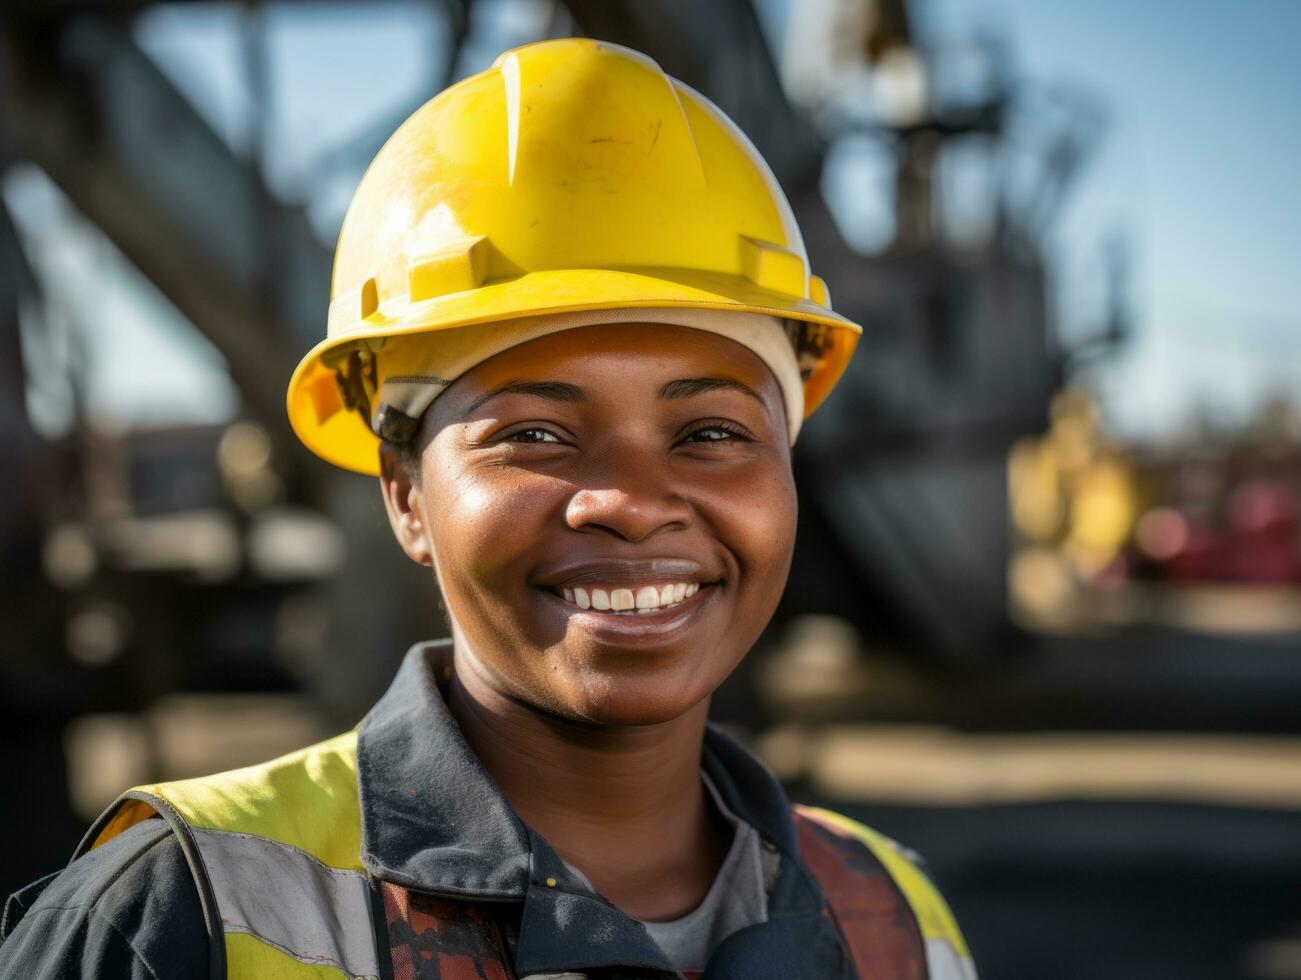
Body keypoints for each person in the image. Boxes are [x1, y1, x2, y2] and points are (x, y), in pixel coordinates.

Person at [0, 38, 976, 980]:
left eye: (711, 433)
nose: (632, 504)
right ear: (405, 494)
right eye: (535, 435)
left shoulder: (890, 913)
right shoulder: (173, 917)